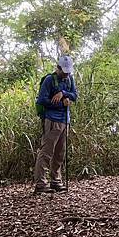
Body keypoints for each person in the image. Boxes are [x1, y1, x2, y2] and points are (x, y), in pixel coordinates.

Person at [34, 55, 78, 194]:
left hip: (65, 120)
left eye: (68, 72)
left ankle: (56, 181)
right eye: (64, 71)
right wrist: (60, 102)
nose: (66, 74)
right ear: (58, 68)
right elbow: (42, 100)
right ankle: (41, 184)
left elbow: (75, 95)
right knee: (46, 152)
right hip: (52, 120)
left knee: (60, 152)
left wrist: (63, 93)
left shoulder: (70, 79)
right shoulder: (49, 80)